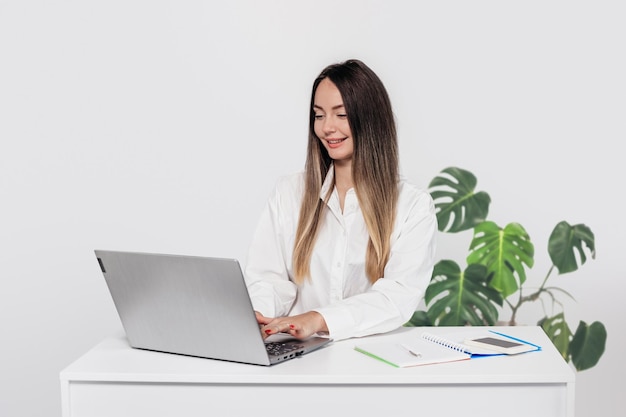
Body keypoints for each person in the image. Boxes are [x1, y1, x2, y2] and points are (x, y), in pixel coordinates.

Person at [244, 59, 437, 342]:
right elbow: (269, 279)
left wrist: (318, 319)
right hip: (298, 358)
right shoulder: (289, 193)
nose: (326, 128)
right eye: (319, 115)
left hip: (372, 362)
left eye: (341, 114)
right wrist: (258, 313)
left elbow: (396, 296)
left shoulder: (412, 207)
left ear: (370, 118)